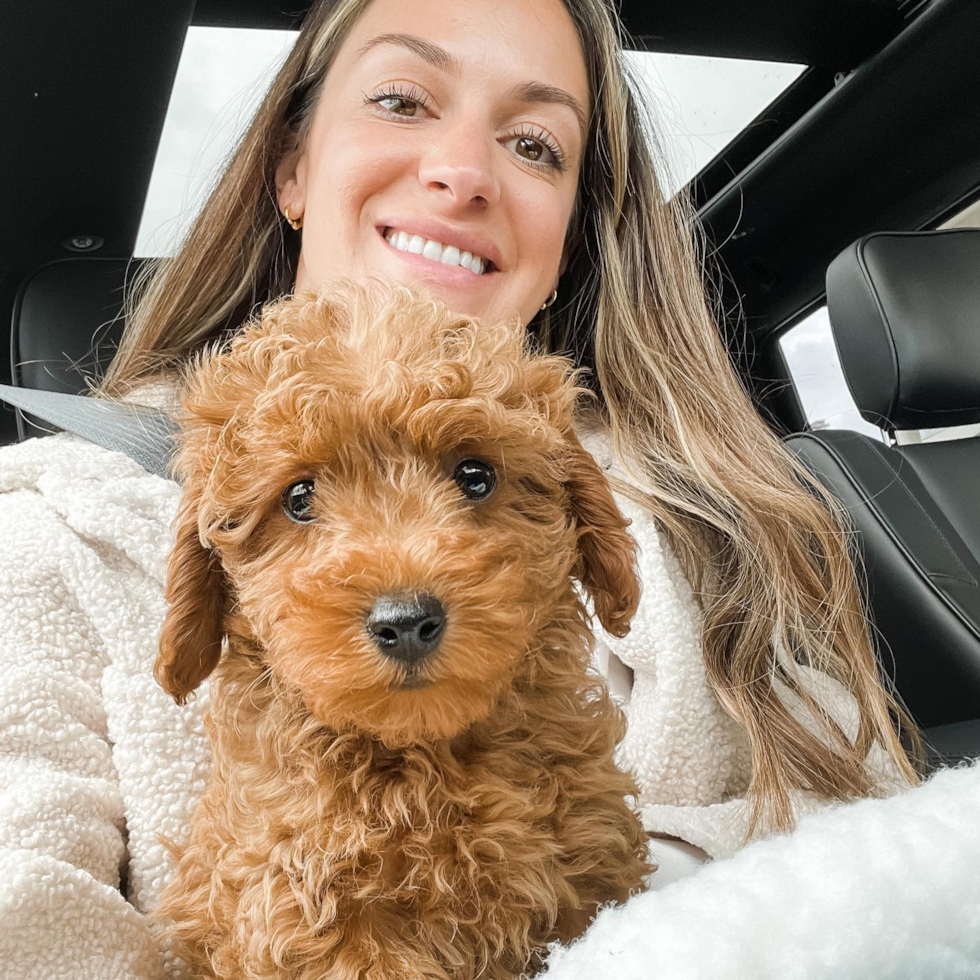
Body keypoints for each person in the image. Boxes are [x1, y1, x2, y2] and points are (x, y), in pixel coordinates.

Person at [0, 0, 925, 976]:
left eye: (533, 144)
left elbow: (875, 861)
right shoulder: (49, 534)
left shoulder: (726, 521)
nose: (462, 171)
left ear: (570, 234)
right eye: (402, 99)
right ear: (292, 165)